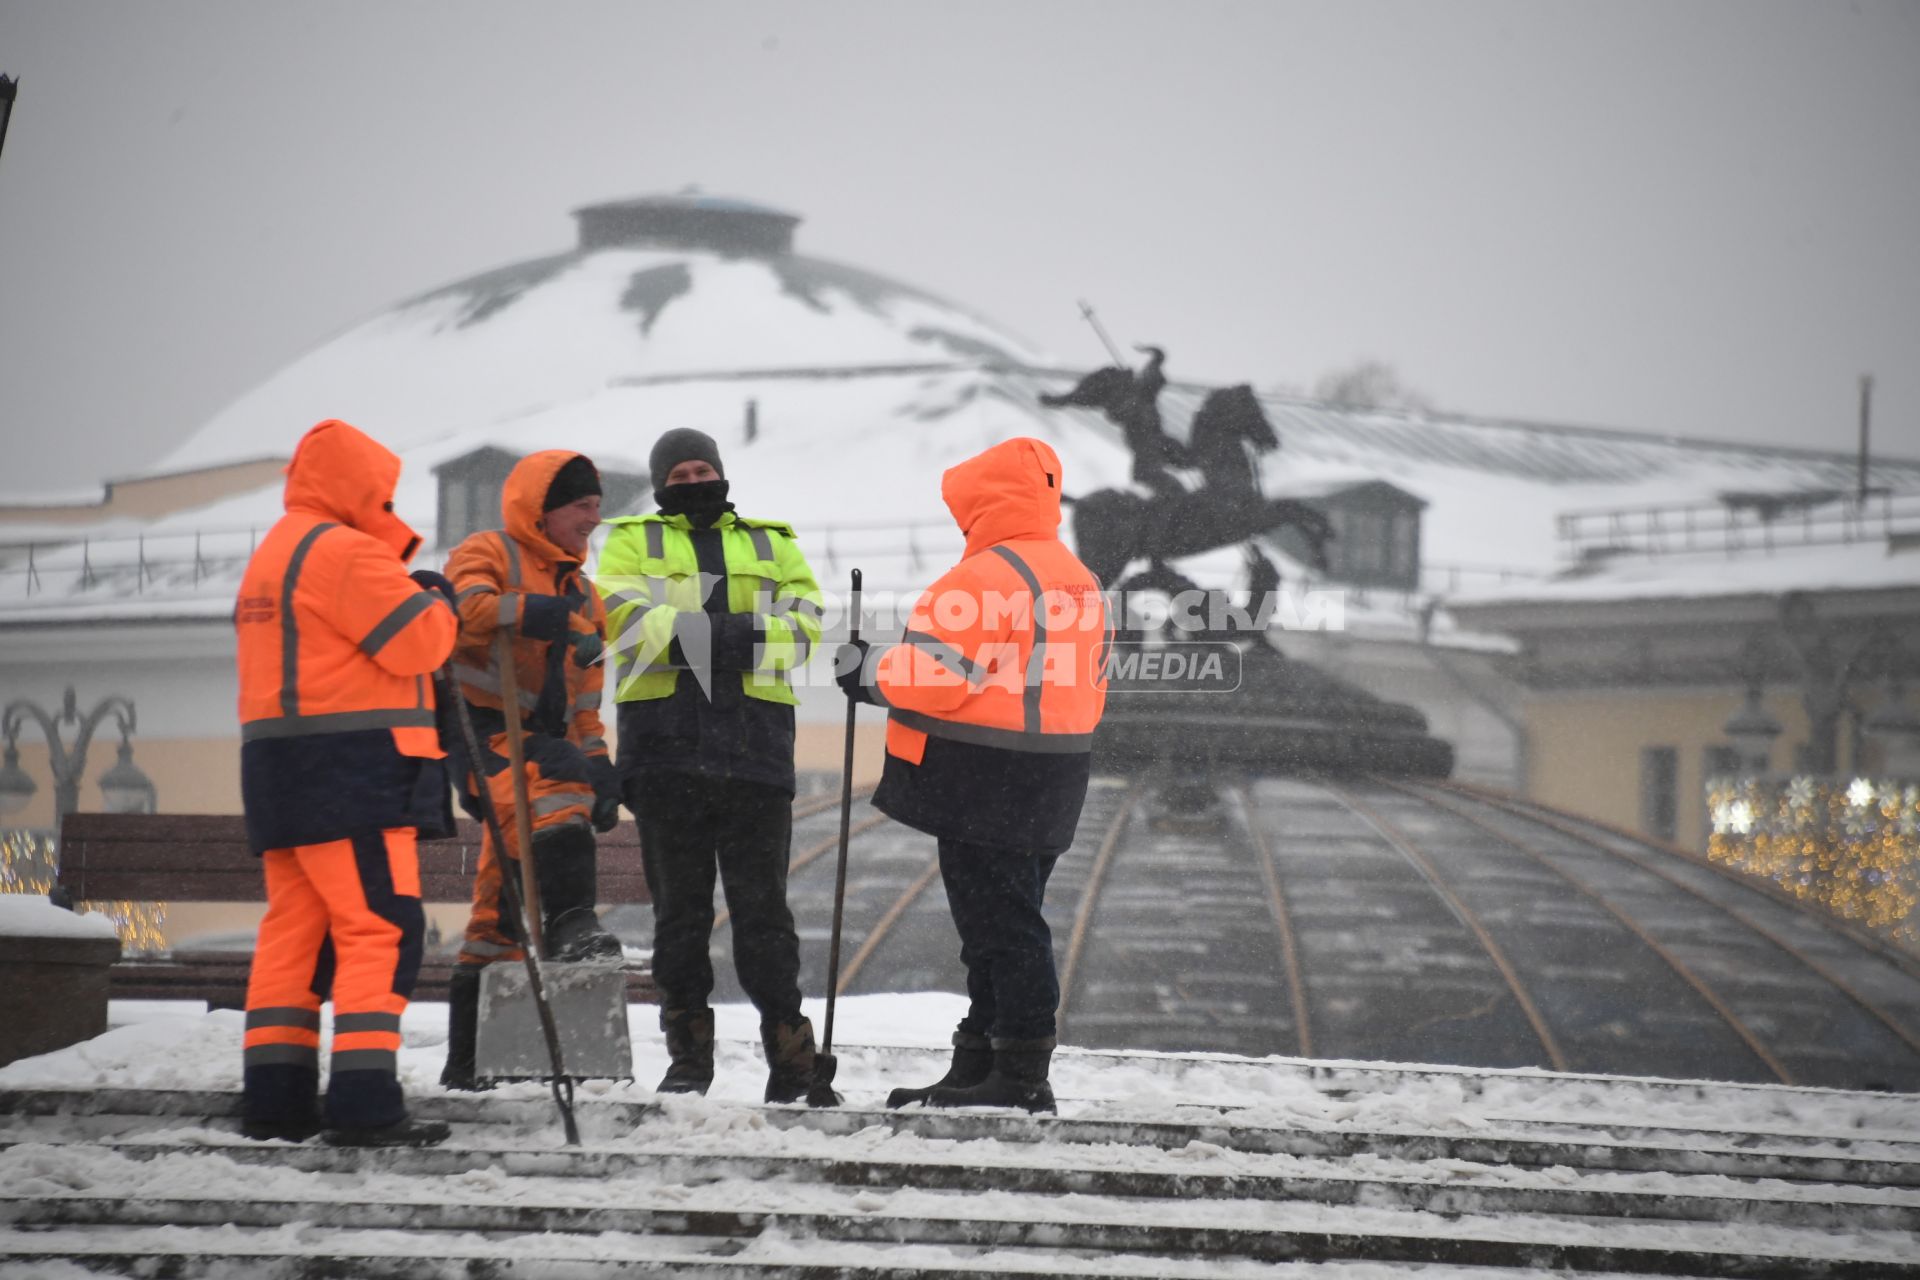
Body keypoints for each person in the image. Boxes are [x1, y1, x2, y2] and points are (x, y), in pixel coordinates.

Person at [837, 436, 1108, 1114]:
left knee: (1001, 930)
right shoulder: (1076, 575)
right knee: (1006, 921)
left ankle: (1016, 1075)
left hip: (985, 779)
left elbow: (934, 682)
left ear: (981, 504)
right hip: (1054, 776)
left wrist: (864, 671)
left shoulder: (983, 578)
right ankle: (980, 1063)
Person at [235, 419, 459, 1147]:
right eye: (382, 493)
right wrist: (438, 601)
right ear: (358, 487)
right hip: (353, 773)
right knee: (381, 929)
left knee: (293, 935)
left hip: (280, 774)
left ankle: (276, 1097)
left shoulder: (275, 552)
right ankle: (365, 1100)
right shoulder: (343, 551)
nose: (387, 504)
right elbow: (417, 642)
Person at [596, 427, 833, 1104]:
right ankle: (688, 1061)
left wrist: (694, 635)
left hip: (754, 756)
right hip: (666, 757)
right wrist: (740, 634)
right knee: (679, 920)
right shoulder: (627, 540)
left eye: (704, 468)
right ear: (660, 480)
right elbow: (624, 620)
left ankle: (793, 1064)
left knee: (766, 921)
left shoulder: (772, 541)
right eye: (680, 472)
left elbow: (807, 624)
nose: (694, 480)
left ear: (722, 472)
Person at [438, 450, 625, 1091]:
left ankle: (465, 1065)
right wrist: (538, 614)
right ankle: (572, 918)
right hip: (480, 732)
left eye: (598, 508)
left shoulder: (586, 595)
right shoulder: (486, 550)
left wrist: (601, 767)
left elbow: (584, 705)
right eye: (582, 507)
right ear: (544, 509)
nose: (593, 520)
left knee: (501, 906)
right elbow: (462, 612)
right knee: (554, 790)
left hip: (543, 744)